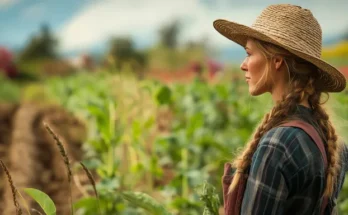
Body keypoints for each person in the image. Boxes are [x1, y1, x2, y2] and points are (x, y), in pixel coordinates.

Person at [213, 4, 348, 215]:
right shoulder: (333, 142)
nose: (243, 64)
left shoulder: (278, 144)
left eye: (249, 53)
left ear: (276, 60)